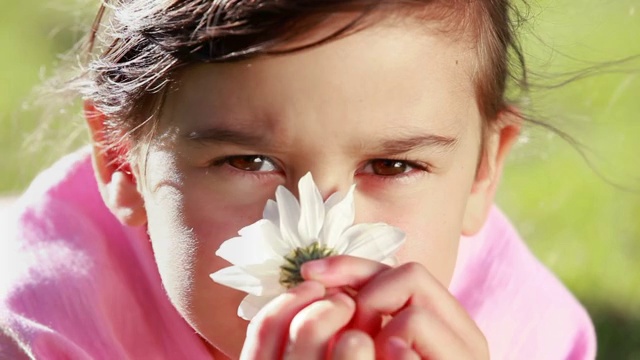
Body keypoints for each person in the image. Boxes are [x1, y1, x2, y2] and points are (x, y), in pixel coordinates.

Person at [0, 0, 597, 358]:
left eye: (392, 166)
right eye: (248, 162)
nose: (328, 234)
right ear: (123, 160)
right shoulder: (47, 329)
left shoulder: (523, 332)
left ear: (480, 174)